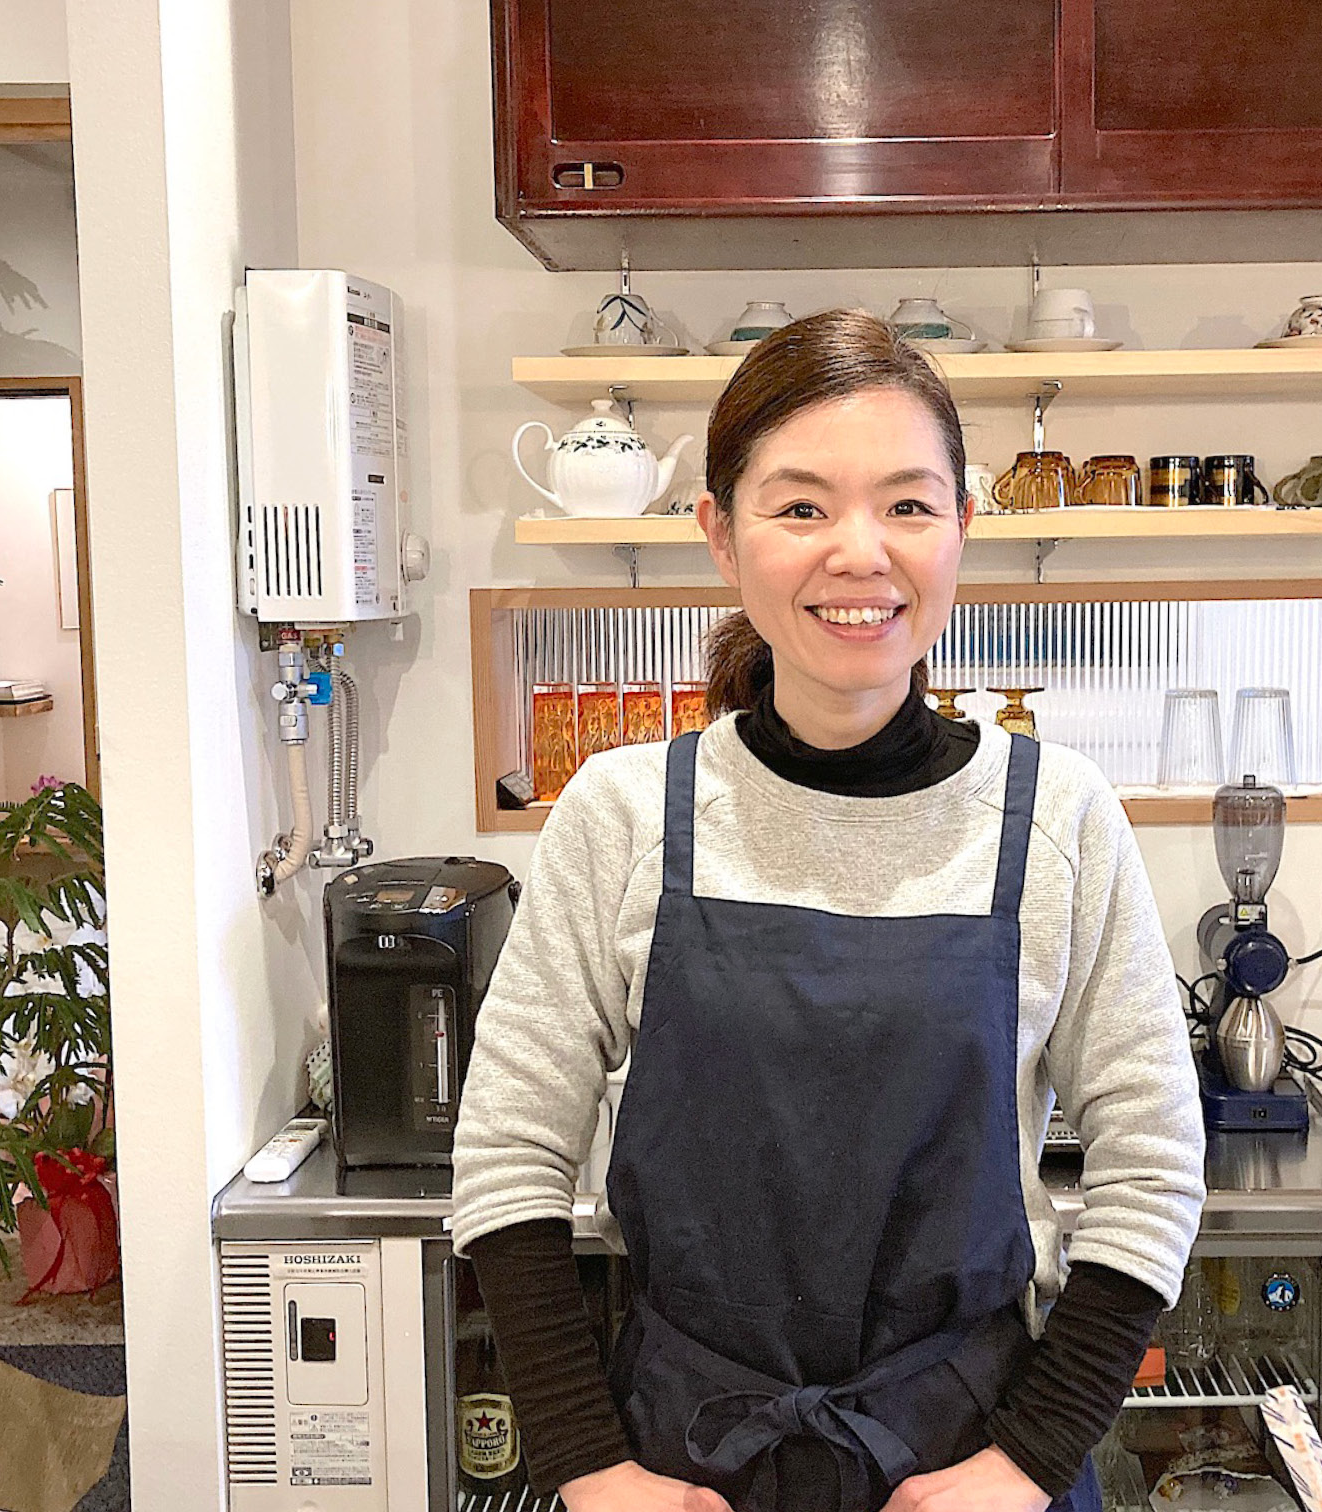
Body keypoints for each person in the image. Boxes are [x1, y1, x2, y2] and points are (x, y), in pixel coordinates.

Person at [453, 309, 1206, 1512]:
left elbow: (1155, 1165)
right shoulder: (626, 813)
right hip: (682, 1465)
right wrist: (588, 1468)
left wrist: (1028, 1463)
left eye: (909, 505)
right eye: (801, 506)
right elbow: (507, 1154)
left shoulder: (1056, 818)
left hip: (970, 1456)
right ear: (719, 535)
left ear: (963, 528)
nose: (859, 552)